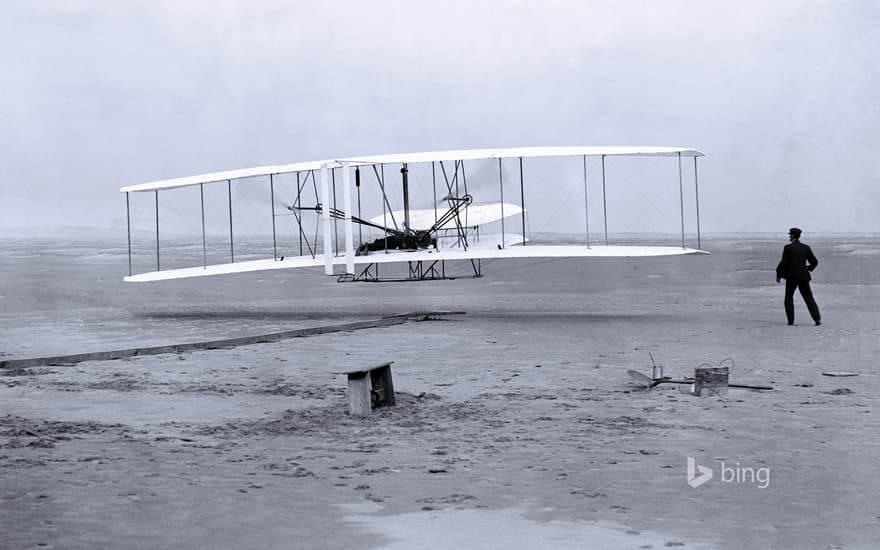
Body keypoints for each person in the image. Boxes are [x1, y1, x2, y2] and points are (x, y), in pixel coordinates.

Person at [775, 227, 821, 326]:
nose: (789, 237)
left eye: (790, 235)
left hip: (791, 277)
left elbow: (783, 263)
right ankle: (817, 320)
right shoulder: (806, 247)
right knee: (809, 298)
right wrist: (808, 268)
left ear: (793, 236)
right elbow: (814, 261)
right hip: (804, 276)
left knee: (788, 297)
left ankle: (791, 321)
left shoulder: (788, 248)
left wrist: (779, 274)